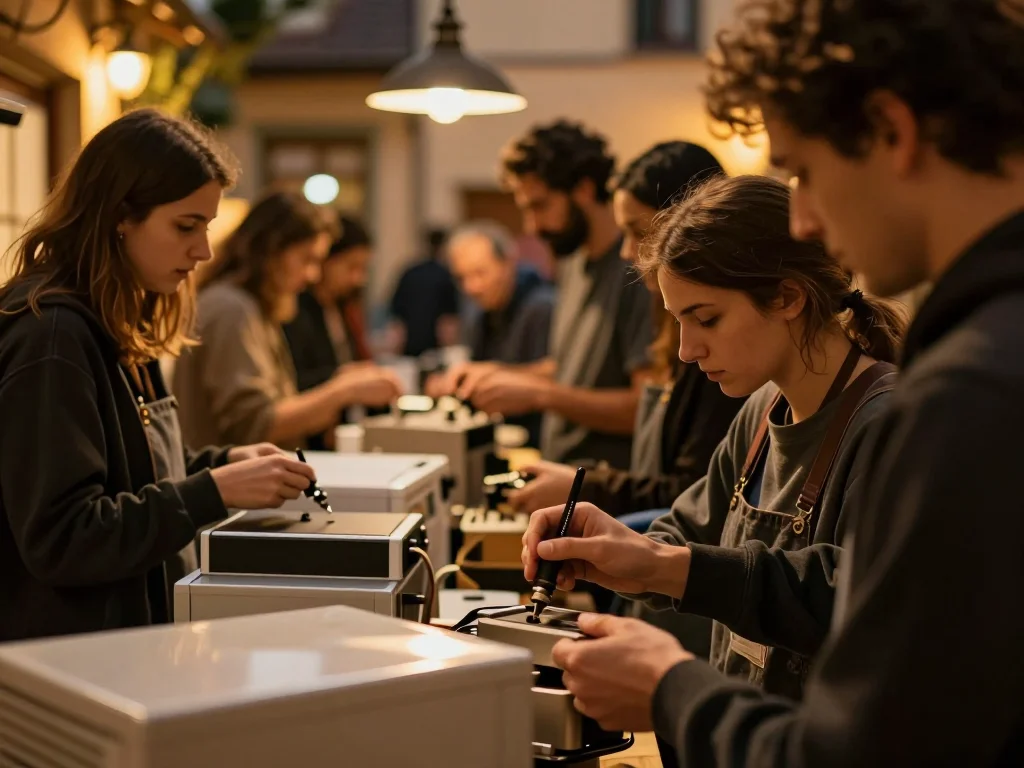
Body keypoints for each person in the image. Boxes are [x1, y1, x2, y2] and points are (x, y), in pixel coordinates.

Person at [523, 2, 1024, 765]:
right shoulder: (973, 361)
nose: (807, 221)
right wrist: (653, 562)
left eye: (803, 173)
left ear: (891, 131)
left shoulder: (970, 393)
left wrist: (673, 690)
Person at [523, 173, 906, 701]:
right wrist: (615, 550)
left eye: (706, 319)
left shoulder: (886, 423)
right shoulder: (760, 413)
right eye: (679, 322)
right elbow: (688, 530)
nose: (686, 350)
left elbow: (850, 596)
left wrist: (660, 567)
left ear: (788, 297)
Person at [0, 109, 319, 641]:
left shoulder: (119, 316)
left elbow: (132, 471)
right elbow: (65, 538)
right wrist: (211, 490)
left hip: (127, 645)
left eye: (206, 227)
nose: (204, 250)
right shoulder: (52, 337)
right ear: (119, 216)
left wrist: (222, 464)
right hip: (68, 661)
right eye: (185, 226)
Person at [509, 141, 743, 530]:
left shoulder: (721, 353)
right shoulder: (667, 323)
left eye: (638, 232)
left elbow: (696, 494)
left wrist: (585, 487)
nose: (626, 252)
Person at [451, 120, 655, 470]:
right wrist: (501, 374)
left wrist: (538, 396)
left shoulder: (636, 271)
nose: (531, 226)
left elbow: (644, 408)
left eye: (540, 206)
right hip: (563, 472)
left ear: (584, 189)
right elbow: (572, 370)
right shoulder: (572, 262)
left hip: (606, 485)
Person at [173, 192, 402, 449]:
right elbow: (257, 425)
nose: (313, 275)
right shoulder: (231, 309)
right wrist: (343, 391)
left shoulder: (253, 308)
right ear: (272, 251)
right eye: (307, 259)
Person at [427, 220, 554, 447]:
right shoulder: (478, 312)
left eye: (480, 273)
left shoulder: (543, 306)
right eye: (461, 278)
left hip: (537, 442)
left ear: (508, 263)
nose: (471, 287)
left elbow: (559, 374)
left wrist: (492, 374)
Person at [282, 215, 386, 448]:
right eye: (351, 266)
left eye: (363, 268)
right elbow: (291, 381)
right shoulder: (295, 310)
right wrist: (343, 380)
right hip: (305, 438)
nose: (358, 278)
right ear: (326, 261)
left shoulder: (343, 307)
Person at [387, 227, 461, 357]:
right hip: (436, 348)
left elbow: (397, 316)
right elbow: (448, 321)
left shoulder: (410, 272)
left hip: (409, 344)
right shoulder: (445, 275)